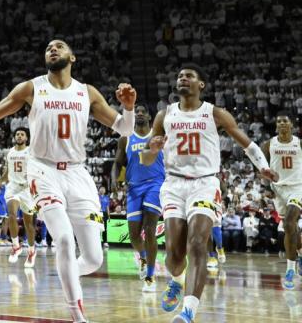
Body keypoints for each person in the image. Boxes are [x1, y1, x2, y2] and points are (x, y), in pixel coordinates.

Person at [0, 40, 138, 323]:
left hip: (78, 173)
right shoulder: (31, 88)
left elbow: (125, 128)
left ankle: (66, 274)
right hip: (43, 171)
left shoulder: (86, 92)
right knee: (63, 239)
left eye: (60, 47)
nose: (53, 49)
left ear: (72, 58)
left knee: (93, 259)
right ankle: (78, 317)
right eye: (48, 48)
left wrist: (128, 108)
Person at [142, 64, 276, 323]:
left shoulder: (214, 113)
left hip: (204, 183)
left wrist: (264, 167)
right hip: (173, 185)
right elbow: (147, 159)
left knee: (196, 243)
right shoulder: (163, 116)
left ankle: (188, 311)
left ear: (200, 84)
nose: (183, 78)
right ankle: (177, 280)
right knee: (174, 254)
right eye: (180, 75)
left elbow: (246, 143)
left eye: (189, 76)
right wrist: (153, 149)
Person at [113, 105, 163, 291]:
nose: (139, 113)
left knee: (150, 229)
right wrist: (114, 179)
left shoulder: (158, 135)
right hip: (133, 188)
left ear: (149, 115)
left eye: (143, 111)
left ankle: (150, 276)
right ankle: (142, 257)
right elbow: (118, 163)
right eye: (136, 112)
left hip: (156, 184)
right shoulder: (125, 138)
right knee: (133, 235)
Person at [265, 113, 302, 288]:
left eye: (285, 121)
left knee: (288, 223)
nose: (281, 123)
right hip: (278, 189)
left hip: (297, 187)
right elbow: (261, 165)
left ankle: (290, 270)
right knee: (291, 228)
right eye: (278, 121)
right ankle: (300, 253)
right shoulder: (269, 144)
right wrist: (266, 182)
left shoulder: (299, 143)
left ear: (291, 125)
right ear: (276, 126)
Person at [3, 128, 37, 267]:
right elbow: (7, 170)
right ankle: (16, 246)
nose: (19, 136)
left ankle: (31, 250)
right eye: (17, 134)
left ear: (26, 138)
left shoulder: (31, 152)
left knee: (29, 224)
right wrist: (0, 181)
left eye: (22, 134)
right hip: (13, 187)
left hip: (27, 189)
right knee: (11, 214)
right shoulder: (10, 152)